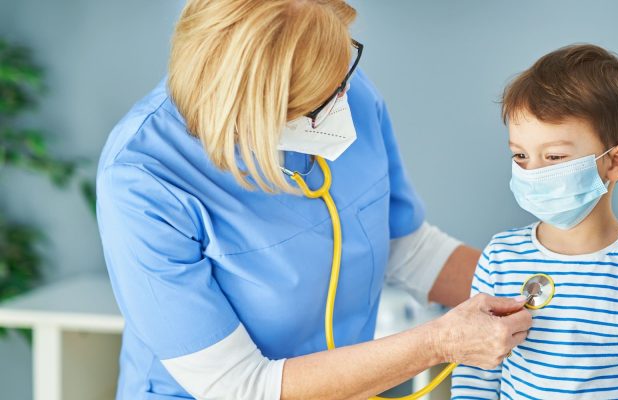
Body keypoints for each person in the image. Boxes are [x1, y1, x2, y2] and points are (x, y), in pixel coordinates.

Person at [95, 1, 532, 399]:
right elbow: (238, 385)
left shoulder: (346, 92)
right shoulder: (144, 179)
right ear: (258, 104)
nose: (344, 97)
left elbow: (406, 246)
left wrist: (556, 284)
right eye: (318, 100)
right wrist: (438, 342)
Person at [450, 44, 618, 399]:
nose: (533, 172)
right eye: (521, 155)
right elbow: (477, 372)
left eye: (554, 156)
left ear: (616, 161)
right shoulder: (500, 258)